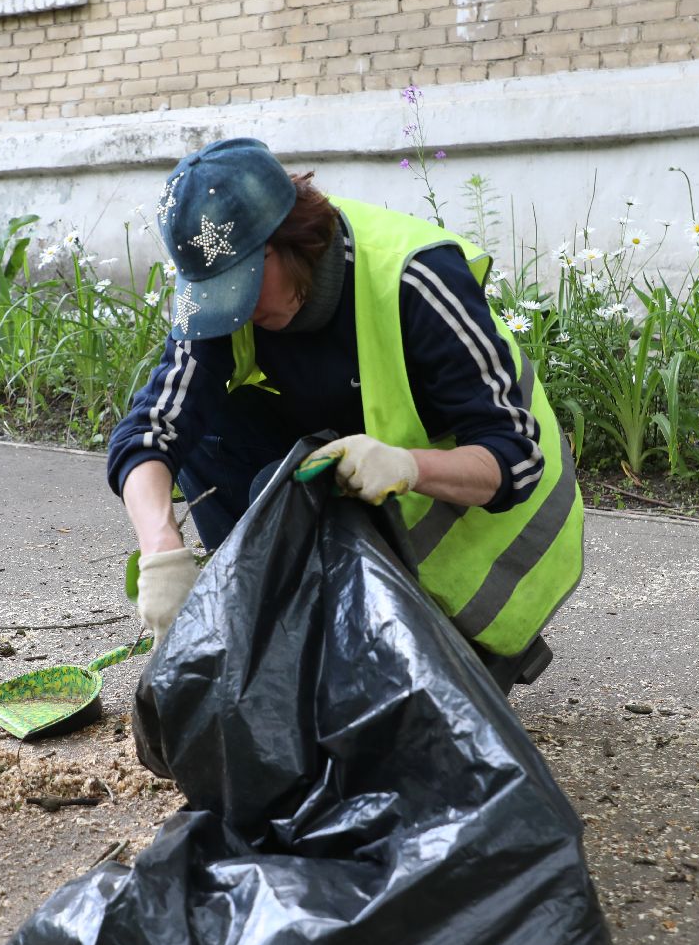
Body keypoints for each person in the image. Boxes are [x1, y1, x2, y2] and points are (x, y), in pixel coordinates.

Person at [106, 137, 583, 692]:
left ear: (288, 241)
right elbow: (152, 427)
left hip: (489, 554)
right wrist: (160, 548)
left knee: (290, 492)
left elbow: (515, 458)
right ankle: (275, 636)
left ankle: (433, 644)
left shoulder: (414, 276)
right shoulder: (222, 304)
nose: (236, 310)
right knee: (212, 430)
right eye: (216, 294)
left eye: (242, 286)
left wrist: (406, 466)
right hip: (364, 491)